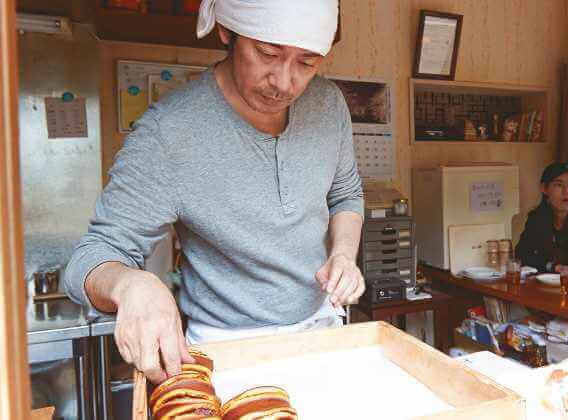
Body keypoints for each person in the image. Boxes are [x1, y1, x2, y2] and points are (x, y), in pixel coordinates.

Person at [64, 0, 366, 384]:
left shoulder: (328, 105)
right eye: (267, 53)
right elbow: (90, 258)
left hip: (321, 329)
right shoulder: (169, 133)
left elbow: (345, 193)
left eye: (307, 62)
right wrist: (129, 284)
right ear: (227, 32)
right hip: (225, 350)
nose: (285, 82)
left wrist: (342, 254)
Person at [515, 163, 568, 281]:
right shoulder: (537, 218)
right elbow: (521, 255)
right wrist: (555, 267)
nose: (567, 191)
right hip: (544, 288)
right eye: (559, 185)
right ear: (544, 188)